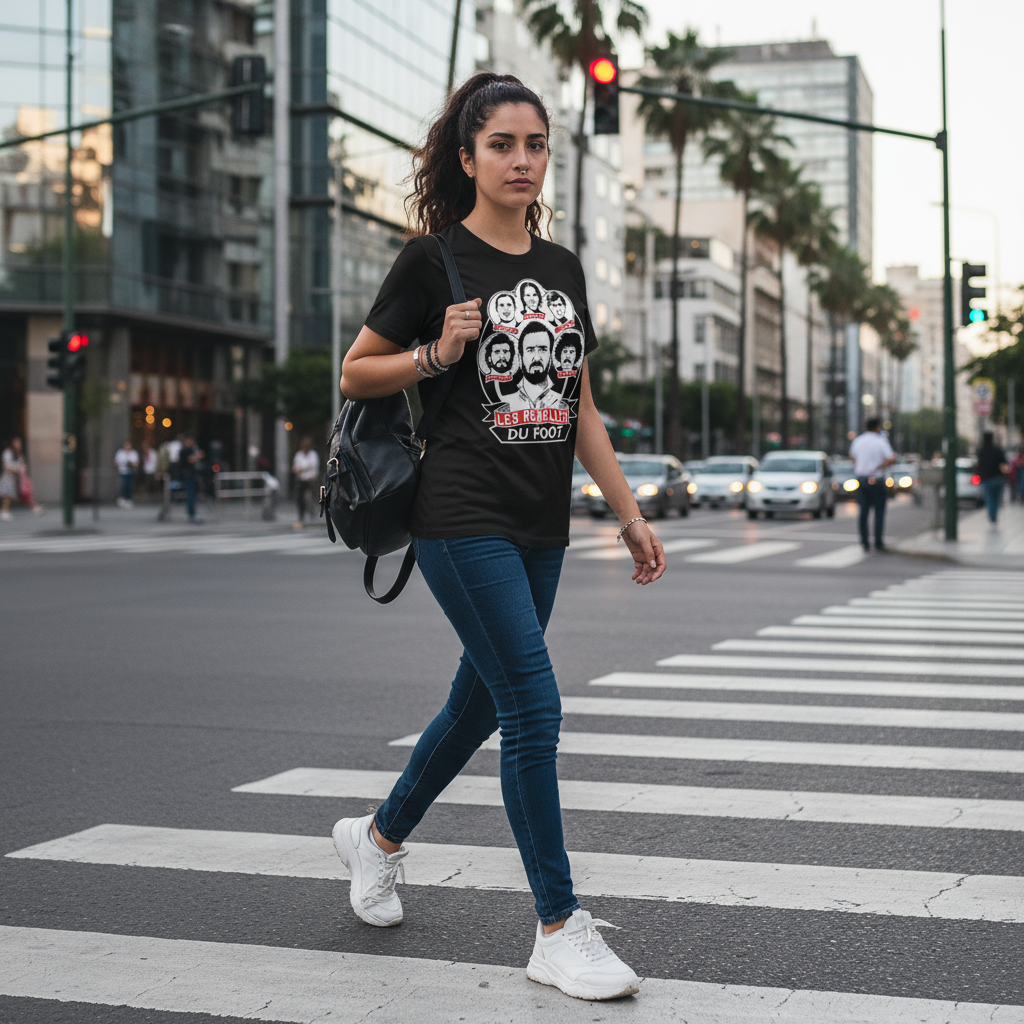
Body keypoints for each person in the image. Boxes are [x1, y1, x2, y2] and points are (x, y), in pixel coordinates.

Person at [335, 72, 665, 1003]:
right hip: (459, 513)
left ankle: (379, 837)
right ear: (468, 156)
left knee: (480, 705)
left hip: (540, 521)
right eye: (502, 146)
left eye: (535, 145)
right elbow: (358, 373)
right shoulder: (432, 262)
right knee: (534, 708)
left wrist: (629, 512)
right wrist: (436, 353)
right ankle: (558, 926)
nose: (522, 161)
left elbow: (581, 407)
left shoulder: (560, 267)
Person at [849, 417, 896, 552]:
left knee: (863, 513)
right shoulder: (880, 441)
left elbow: (852, 456)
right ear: (877, 427)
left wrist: (860, 465)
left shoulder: (858, 440)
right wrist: (881, 466)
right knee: (879, 513)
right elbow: (891, 457)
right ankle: (878, 542)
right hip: (877, 480)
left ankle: (864, 542)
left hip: (862, 480)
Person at [1, 437, 44, 520]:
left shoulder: (19, 454)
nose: (18, 445)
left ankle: (35, 507)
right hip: (9, 477)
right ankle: (4, 512)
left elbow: (22, 465)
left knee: (26, 491)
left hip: (18, 477)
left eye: (19, 443)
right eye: (16, 443)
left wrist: (22, 468)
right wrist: (18, 468)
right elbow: (7, 466)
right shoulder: (8, 452)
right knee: (7, 495)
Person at [975, 431, 1009, 525]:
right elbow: (1004, 464)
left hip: (987, 479)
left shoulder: (982, 451)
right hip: (998, 478)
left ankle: (992, 517)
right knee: (996, 499)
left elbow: (978, 466)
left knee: (990, 499)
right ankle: (994, 516)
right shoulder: (997, 451)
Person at [291, 436, 320, 528]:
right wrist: (301, 469)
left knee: (313, 497)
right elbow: (295, 467)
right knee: (300, 498)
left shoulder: (313, 455)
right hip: (301, 480)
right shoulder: (299, 455)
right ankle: (301, 515)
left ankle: (313, 513)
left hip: (311, 480)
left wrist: (301, 469)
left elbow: (312, 466)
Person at [179, 435, 203, 522]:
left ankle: (193, 513)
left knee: (193, 494)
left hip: (192, 474)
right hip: (187, 475)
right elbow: (189, 460)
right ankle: (191, 514)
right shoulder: (184, 450)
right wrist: (197, 456)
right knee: (190, 495)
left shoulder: (192, 449)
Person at [114, 440, 139, 508]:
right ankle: (122, 498)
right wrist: (121, 464)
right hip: (123, 471)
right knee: (123, 485)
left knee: (129, 486)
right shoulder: (120, 453)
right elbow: (116, 462)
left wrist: (131, 464)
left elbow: (136, 463)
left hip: (131, 472)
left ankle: (128, 499)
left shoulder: (133, 453)